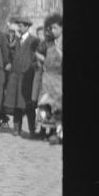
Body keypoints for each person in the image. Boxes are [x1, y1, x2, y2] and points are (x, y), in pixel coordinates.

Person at [5, 17, 41, 137]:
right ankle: (16, 128)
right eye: (18, 26)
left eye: (21, 26)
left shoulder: (34, 41)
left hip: (27, 77)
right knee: (16, 103)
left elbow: (37, 59)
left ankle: (31, 129)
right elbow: (11, 56)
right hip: (16, 76)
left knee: (28, 104)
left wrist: (31, 70)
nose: (19, 28)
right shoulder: (16, 41)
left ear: (27, 27)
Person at [36, 14, 64, 143]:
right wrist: (43, 59)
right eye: (51, 28)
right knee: (47, 105)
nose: (52, 31)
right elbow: (41, 57)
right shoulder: (49, 43)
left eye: (55, 28)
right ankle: (49, 131)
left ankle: (58, 133)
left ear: (61, 28)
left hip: (59, 78)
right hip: (48, 79)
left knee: (59, 106)